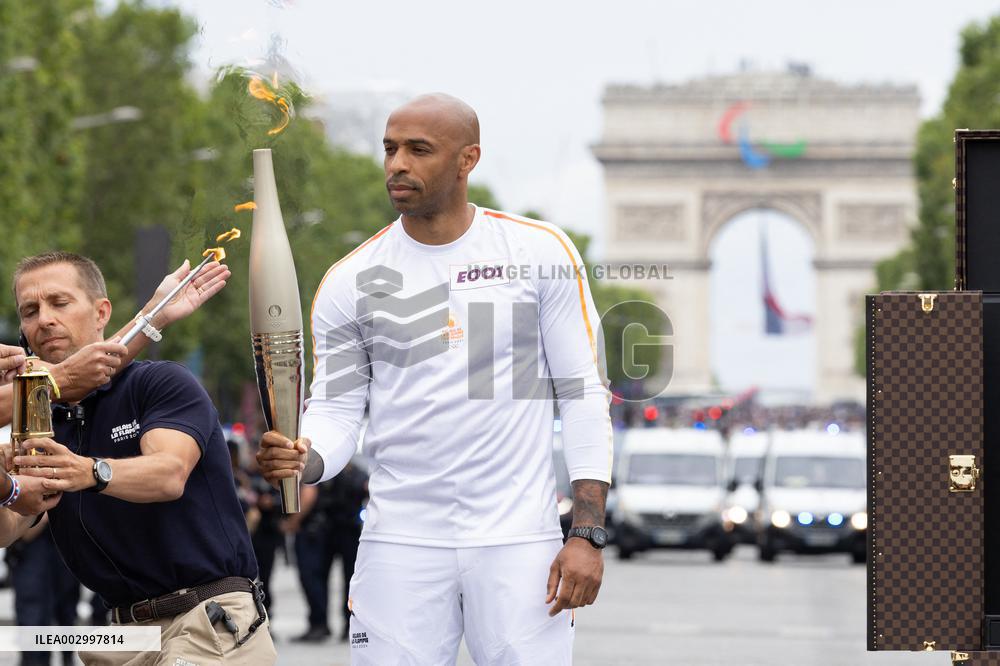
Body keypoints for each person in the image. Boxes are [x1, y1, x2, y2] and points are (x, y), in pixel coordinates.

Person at [258, 94, 613, 665]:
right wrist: (307, 456)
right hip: (399, 541)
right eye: (390, 149)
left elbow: (582, 393)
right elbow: (338, 410)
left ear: (467, 159)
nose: (398, 163)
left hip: (517, 540)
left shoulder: (539, 253)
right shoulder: (351, 279)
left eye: (419, 150)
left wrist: (587, 531)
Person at [2, 251, 276, 666]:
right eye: (29, 310)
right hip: (119, 635)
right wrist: (7, 486)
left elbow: (168, 475)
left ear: (101, 313)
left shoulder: (159, 382)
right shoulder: (39, 422)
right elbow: (9, 526)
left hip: (204, 617)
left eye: (60, 303)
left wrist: (89, 470)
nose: (44, 319)